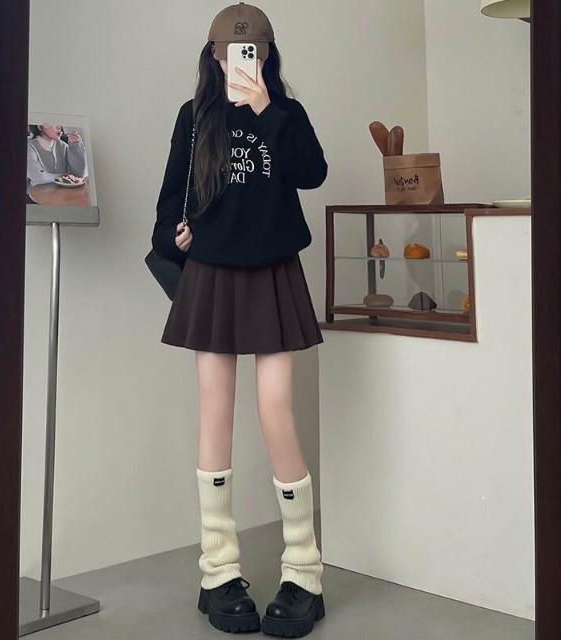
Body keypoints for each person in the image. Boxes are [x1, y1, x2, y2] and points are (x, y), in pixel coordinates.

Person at [151, 3, 327, 637]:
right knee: (214, 414)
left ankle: (304, 571)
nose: (241, 61)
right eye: (231, 52)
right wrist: (171, 238)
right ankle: (218, 570)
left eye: (252, 51)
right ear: (214, 55)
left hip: (272, 269)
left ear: (268, 55)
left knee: (276, 410)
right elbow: (171, 194)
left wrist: (264, 109)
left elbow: (312, 172)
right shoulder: (194, 116)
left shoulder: (286, 114)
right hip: (213, 270)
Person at [26, 124, 87, 189]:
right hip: (38, 193)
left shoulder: (63, 146)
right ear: (40, 126)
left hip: (64, 192)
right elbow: (37, 177)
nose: (59, 127)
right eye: (53, 122)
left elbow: (78, 175)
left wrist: (76, 146)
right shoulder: (29, 147)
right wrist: (62, 176)